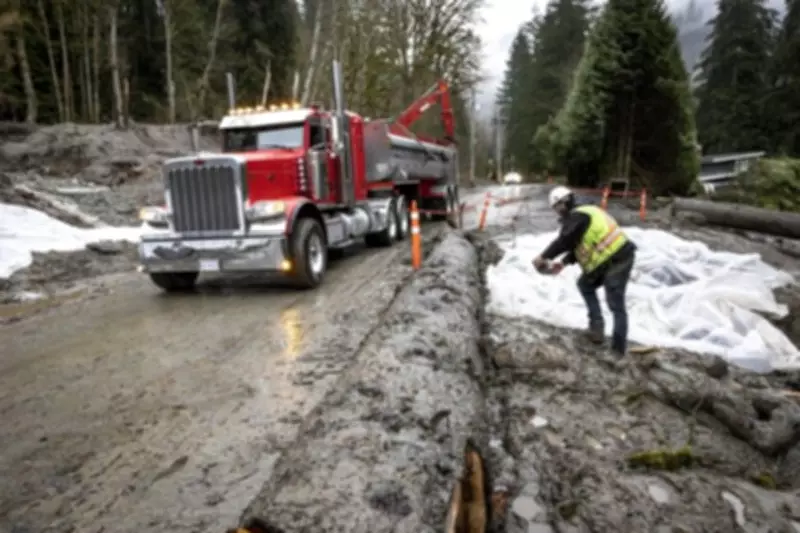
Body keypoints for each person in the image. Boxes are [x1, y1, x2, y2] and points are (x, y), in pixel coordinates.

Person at [532, 185, 637, 356]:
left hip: (618, 258)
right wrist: (563, 263)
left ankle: (618, 351)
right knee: (584, 285)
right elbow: (580, 245)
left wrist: (544, 256)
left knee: (615, 304)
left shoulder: (579, 214)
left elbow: (564, 241)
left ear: (564, 202)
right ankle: (597, 329)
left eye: (558, 207)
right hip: (606, 260)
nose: (558, 212)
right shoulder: (584, 214)